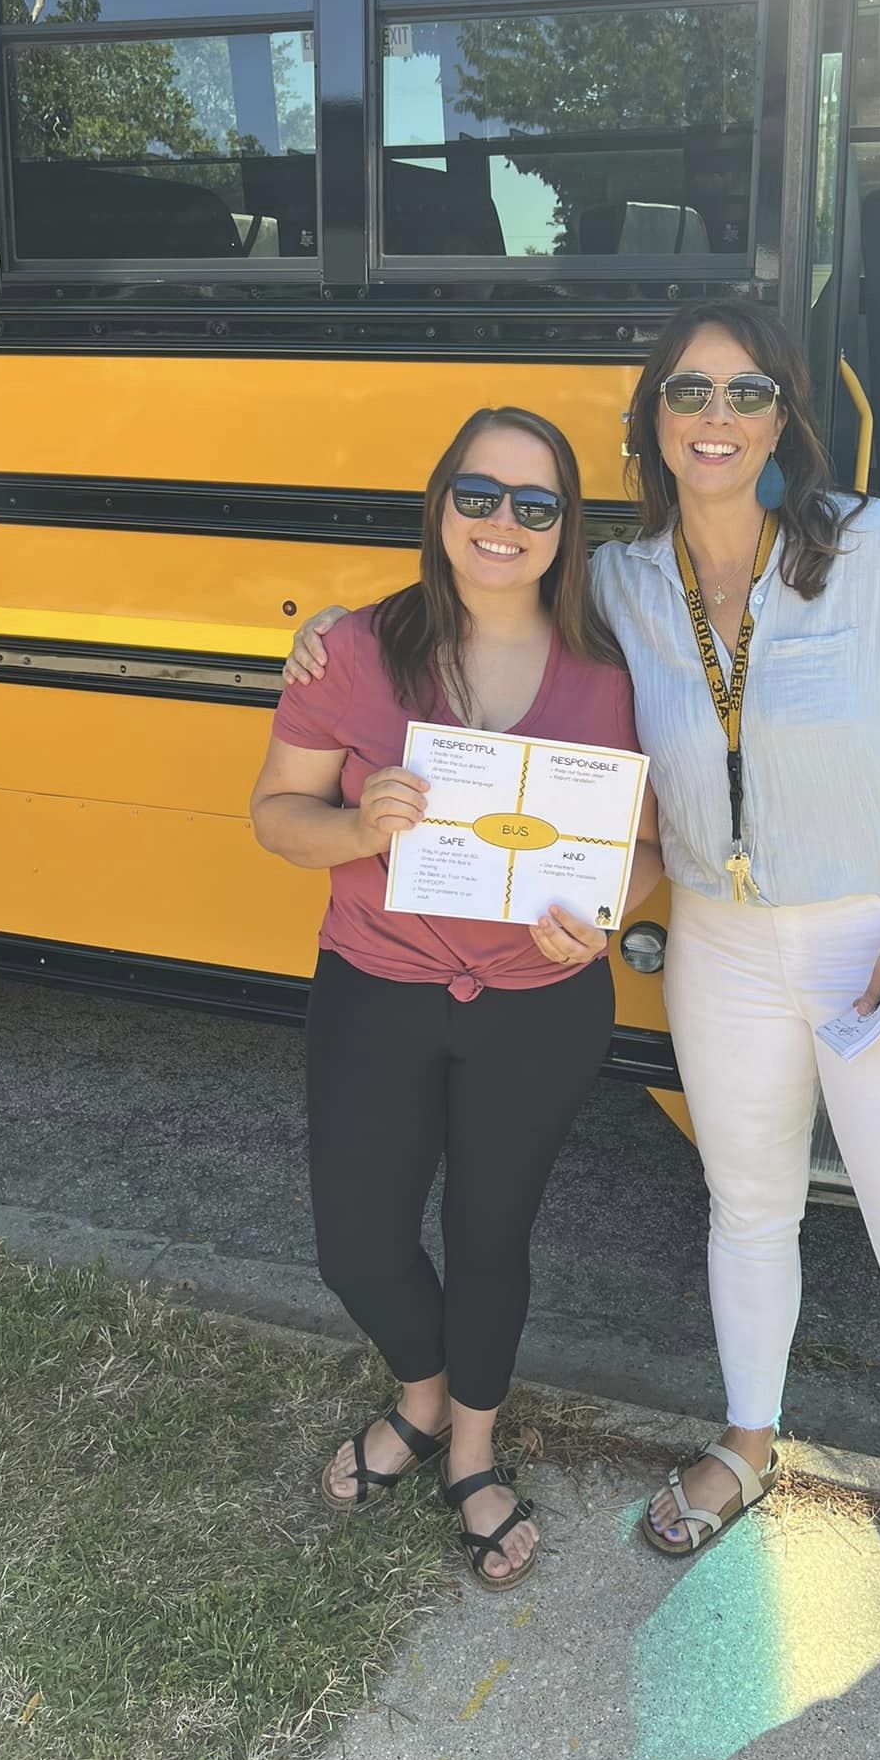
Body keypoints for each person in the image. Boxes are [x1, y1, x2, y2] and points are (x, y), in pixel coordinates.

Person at [284, 303, 880, 1726]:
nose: (717, 414)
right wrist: (341, 633)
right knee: (746, 1213)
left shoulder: (870, 551)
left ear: (783, 419)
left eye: (747, 393)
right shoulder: (621, 583)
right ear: (654, 421)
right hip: (724, 949)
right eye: (689, 391)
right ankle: (749, 1444)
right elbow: (483, 621)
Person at [252, 406, 661, 1594]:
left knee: (492, 1235)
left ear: (565, 529)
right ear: (440, 504)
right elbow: (276, 810)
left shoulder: (610, 670)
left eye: (536, 505)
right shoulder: (356, 650)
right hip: (377, 986)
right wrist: (351, 821)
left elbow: (653, 843)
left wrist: (605, 915)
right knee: (358, 1242)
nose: (503, 523)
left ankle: (468, 1444)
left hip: (541, 1001)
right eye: (479, 494)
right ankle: (420, 1396)